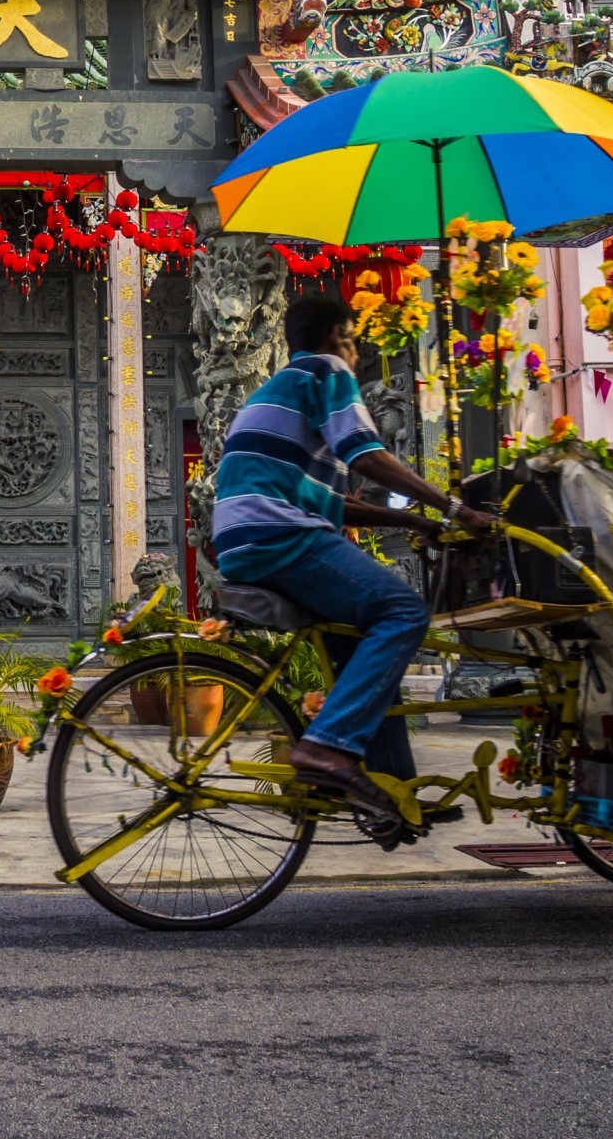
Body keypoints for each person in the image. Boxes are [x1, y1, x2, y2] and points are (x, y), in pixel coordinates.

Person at [211, 294, 494, 840]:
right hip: (282, 534)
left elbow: (332, 501)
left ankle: (394, 796)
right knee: (403, 611)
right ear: (337, 336)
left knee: (366, 643)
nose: (358, 352)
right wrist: (454, 508)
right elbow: (365, 455)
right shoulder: (328, 371)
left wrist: (415, 523)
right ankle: (327, 747)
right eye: (354, 338)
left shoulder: (272, 392)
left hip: (244, 539)